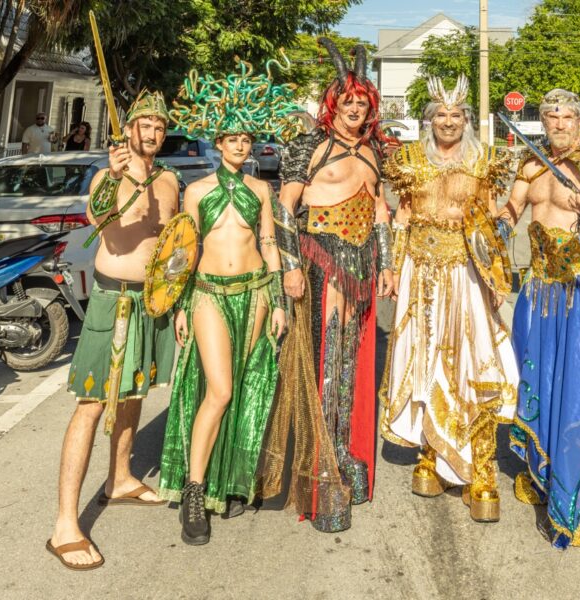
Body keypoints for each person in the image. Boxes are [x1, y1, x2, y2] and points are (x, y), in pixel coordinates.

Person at [158, 59, 299, 545]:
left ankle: (232, 479)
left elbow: (269, 246)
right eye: (231, 138)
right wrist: (178, 305)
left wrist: (279, 299)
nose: (240, 145)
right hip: (208, 295)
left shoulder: (263, 189)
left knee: (244, 387)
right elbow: (181, 252)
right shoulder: (195, 191)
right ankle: (195, 490)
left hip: (256, 292)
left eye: (245, 138)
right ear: (217, 144)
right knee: (217, 390)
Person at [257, 38, 394, 533]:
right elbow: (282, 208)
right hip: (320, 260)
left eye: (362, 102)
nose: (355, 109)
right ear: (333, 105)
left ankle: (347, 458)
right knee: (325, 362)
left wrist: (389, 265)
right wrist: (291, 267)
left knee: (353, 364)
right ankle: (323, 471)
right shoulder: (306, 146)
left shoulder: (374, 148)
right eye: (348, 101)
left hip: (362, 263)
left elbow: (380, 209)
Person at [48, 90, 179, 570]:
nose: (153, 132)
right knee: (91, 404)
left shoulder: (169, 180)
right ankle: (65, 523)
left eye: (160, 126)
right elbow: (95, 218)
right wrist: (120, 177)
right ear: (129, 130)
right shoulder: (109, 174)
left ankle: (119, 477)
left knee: (134, 393)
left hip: (153, 301)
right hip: (112, 300)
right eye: (145, 124)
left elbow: (174, 242)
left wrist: (178, 300)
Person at [379, 74, 518, 523]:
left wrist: (498, 276)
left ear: (466, 121)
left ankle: (481, 469)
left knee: (475, 362)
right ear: (429, 120)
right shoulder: (407, 162)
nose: (448, 121)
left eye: (456, 115)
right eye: (440, 114)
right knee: (422, 361)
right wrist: (393, 268)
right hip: (420, 273)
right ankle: (432, 455)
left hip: (467, 275)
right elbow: (401, 218)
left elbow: (495, 221)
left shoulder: (485, 162)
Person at [497, 89, 580, 546]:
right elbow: (510, 213)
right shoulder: (530, 165)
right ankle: (541, 471)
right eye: (550, 116)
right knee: (538, 382)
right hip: (538, 290)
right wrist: (492, 223)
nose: (558, 124)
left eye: (566, 116)